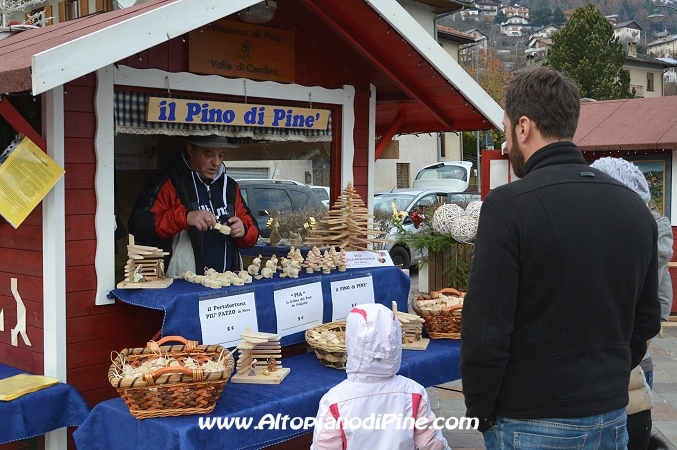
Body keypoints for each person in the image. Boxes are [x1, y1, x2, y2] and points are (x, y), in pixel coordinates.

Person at [459, 67, 661, 449]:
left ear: (523, 127)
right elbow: (647, 318)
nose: (505, 144)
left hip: (530, 418)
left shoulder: (508, 206)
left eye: (505, 130)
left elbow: (486, 328)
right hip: (610, 414)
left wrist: (480, 410)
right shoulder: (633, 208)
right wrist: (604, 380)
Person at [589, 157, 673, 450]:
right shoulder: (648, 228)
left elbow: (651, 308)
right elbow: (660, 303)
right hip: (627, 361)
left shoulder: (636, 234)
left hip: (622, 365)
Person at [311, 303, 450, 450]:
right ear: (396, 340)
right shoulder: (415, 392)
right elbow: (431, 444)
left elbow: (324, 446)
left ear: (351, 341)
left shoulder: (335, 400)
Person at [128, 135, 258, 277]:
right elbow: (138, 225)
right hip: (184, 284)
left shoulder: (230, 187)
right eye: (208, 154)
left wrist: (243, 230)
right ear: (190, 150)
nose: (216, 162)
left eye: (221, 155)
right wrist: (186, 217)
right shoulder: (169, 182)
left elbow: (252, 231)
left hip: (228, 282)